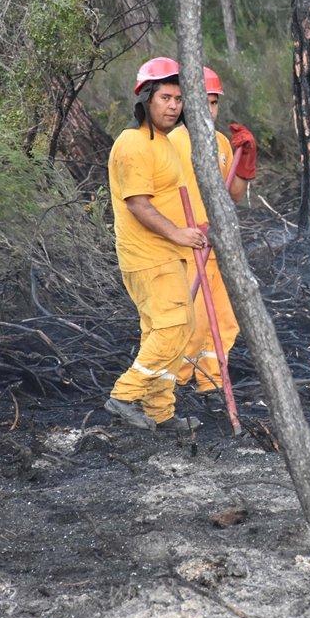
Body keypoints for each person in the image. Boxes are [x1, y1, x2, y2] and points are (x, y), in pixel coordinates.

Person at [105, 57, 206, 432]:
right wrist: (178, 234)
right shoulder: (133, 143)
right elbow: (137, 203)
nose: (173, 105)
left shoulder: (163, 143)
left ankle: (159, 413)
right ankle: (124, 395)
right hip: (148, 256)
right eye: (165, 97)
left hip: (168, 255)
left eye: (178, 99)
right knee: (172, 326)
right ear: (146, 98)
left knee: (172, 330)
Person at [166, 66, 257, 394]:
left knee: (224, 320)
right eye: (202, 102)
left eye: (214, 103)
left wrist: (245, 163)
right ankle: (172, 386)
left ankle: (210, 385)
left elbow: (233, 194)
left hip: (218, 247)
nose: (210, 110)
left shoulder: (220, 142)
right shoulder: (173, 142)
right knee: (195, 321)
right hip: (186, 250)